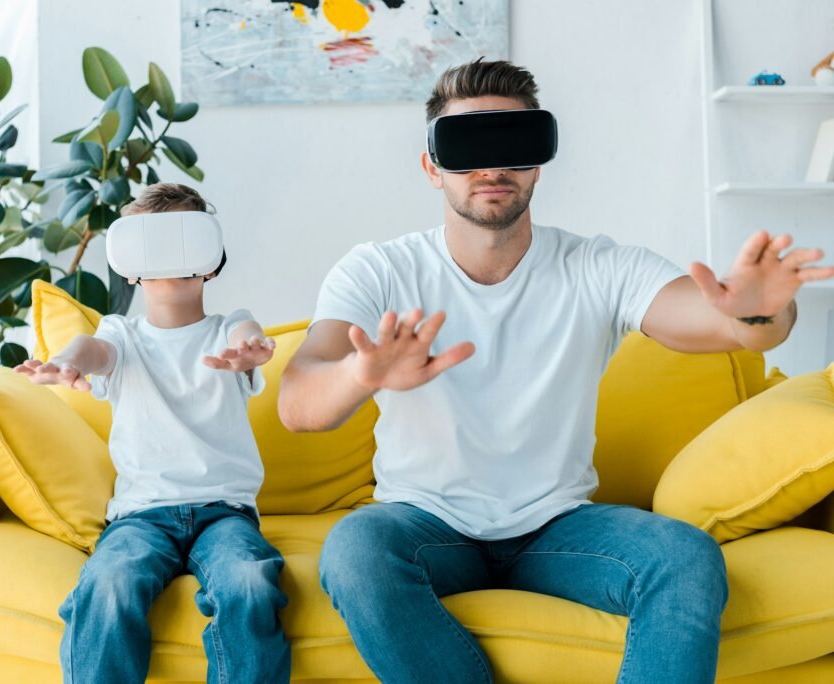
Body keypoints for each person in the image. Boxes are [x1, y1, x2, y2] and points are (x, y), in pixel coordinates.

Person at [278, 58, 834, 683]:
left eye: (512, 145)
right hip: (423, 521)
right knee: (355, 551)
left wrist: (758, 312)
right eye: (465, 147)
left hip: (557, 528)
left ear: (539, 158)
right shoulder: (378, 271)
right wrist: (364, 373)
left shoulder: (595, 266)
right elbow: (299, 405)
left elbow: (720, 321)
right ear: (432, 166)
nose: (491, 168)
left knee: (684, 556)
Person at [16, 183, 290, 684]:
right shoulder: (121, 335)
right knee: (109, 584)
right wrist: (64, 363)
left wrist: (251, 350)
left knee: (249, 582)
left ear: (210, 260)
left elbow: (246, 334)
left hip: (225, 513)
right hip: (141, 517)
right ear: (131, 263)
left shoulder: (229, 327)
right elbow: (90, 349)